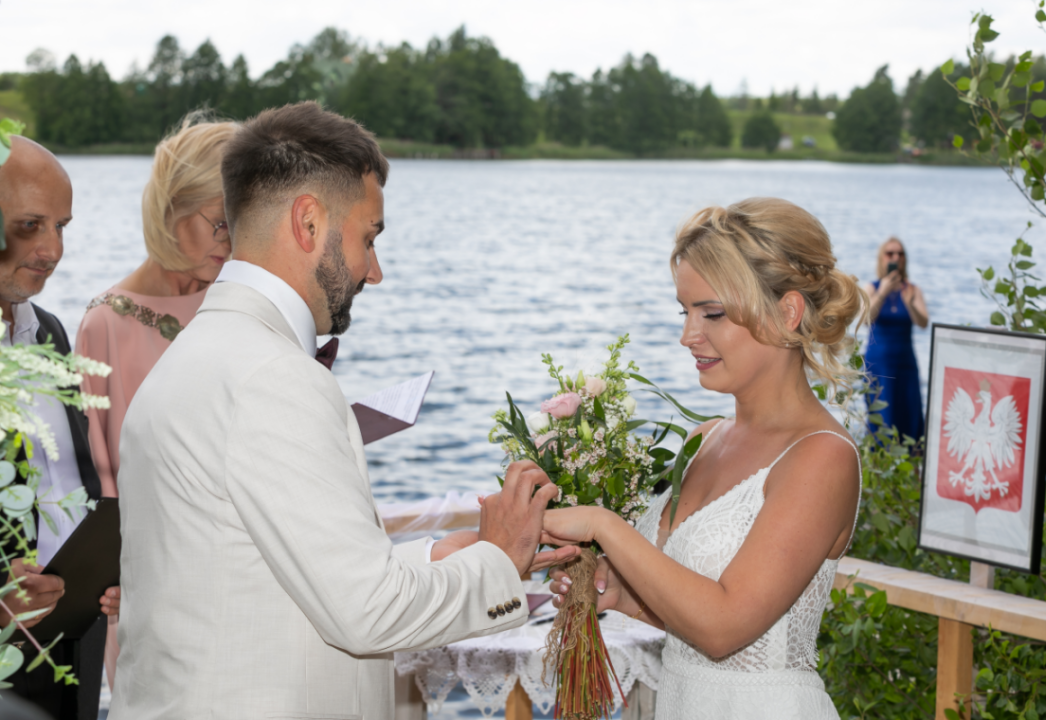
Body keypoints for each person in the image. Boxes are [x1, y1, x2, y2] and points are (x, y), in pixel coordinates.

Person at [109, 102, 579, 720]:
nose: (374, 272)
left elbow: (270, 571)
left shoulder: (199, 351)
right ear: (308, 222)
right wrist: (498, 563)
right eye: (369, 238)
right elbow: (366, 611)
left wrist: (451, 552)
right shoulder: (273, 376)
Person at [543, 199, 865, 719]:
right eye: (685, 311)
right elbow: (691, 617)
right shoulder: (706, 438)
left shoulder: (822, 457)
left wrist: (604, 525)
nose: (688, 336)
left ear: (787, 313)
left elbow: (724, 628)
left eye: (712, 313)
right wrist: (622, 595)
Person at [74, 116, 238, 686]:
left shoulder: (238, 303)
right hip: (146, 585)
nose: (230, 243)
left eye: (241, 225)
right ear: (171, 208)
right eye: (220, 222)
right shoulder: (105, 325)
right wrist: (127, 579)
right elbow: (101, 481)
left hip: (240, 570)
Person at [0, 137, 105, 719]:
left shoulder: (51, 334)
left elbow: (67, 482)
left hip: (68, 642)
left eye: (61, 226)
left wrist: (103, 570)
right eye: (30, 225)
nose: (53, 249)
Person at [863, 236, 928, 441]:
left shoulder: (912, 289)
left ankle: (912, 459)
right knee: (881, 417)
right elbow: (865, 320)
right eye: (890, 254)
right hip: (878, 365)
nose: (895, 258)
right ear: (881, 258)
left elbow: (923, 322)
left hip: (905, 364)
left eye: (900, 254)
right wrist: (883, 292)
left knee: (909, 416)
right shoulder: (872, 288)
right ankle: (877, 458)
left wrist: (909, 304)